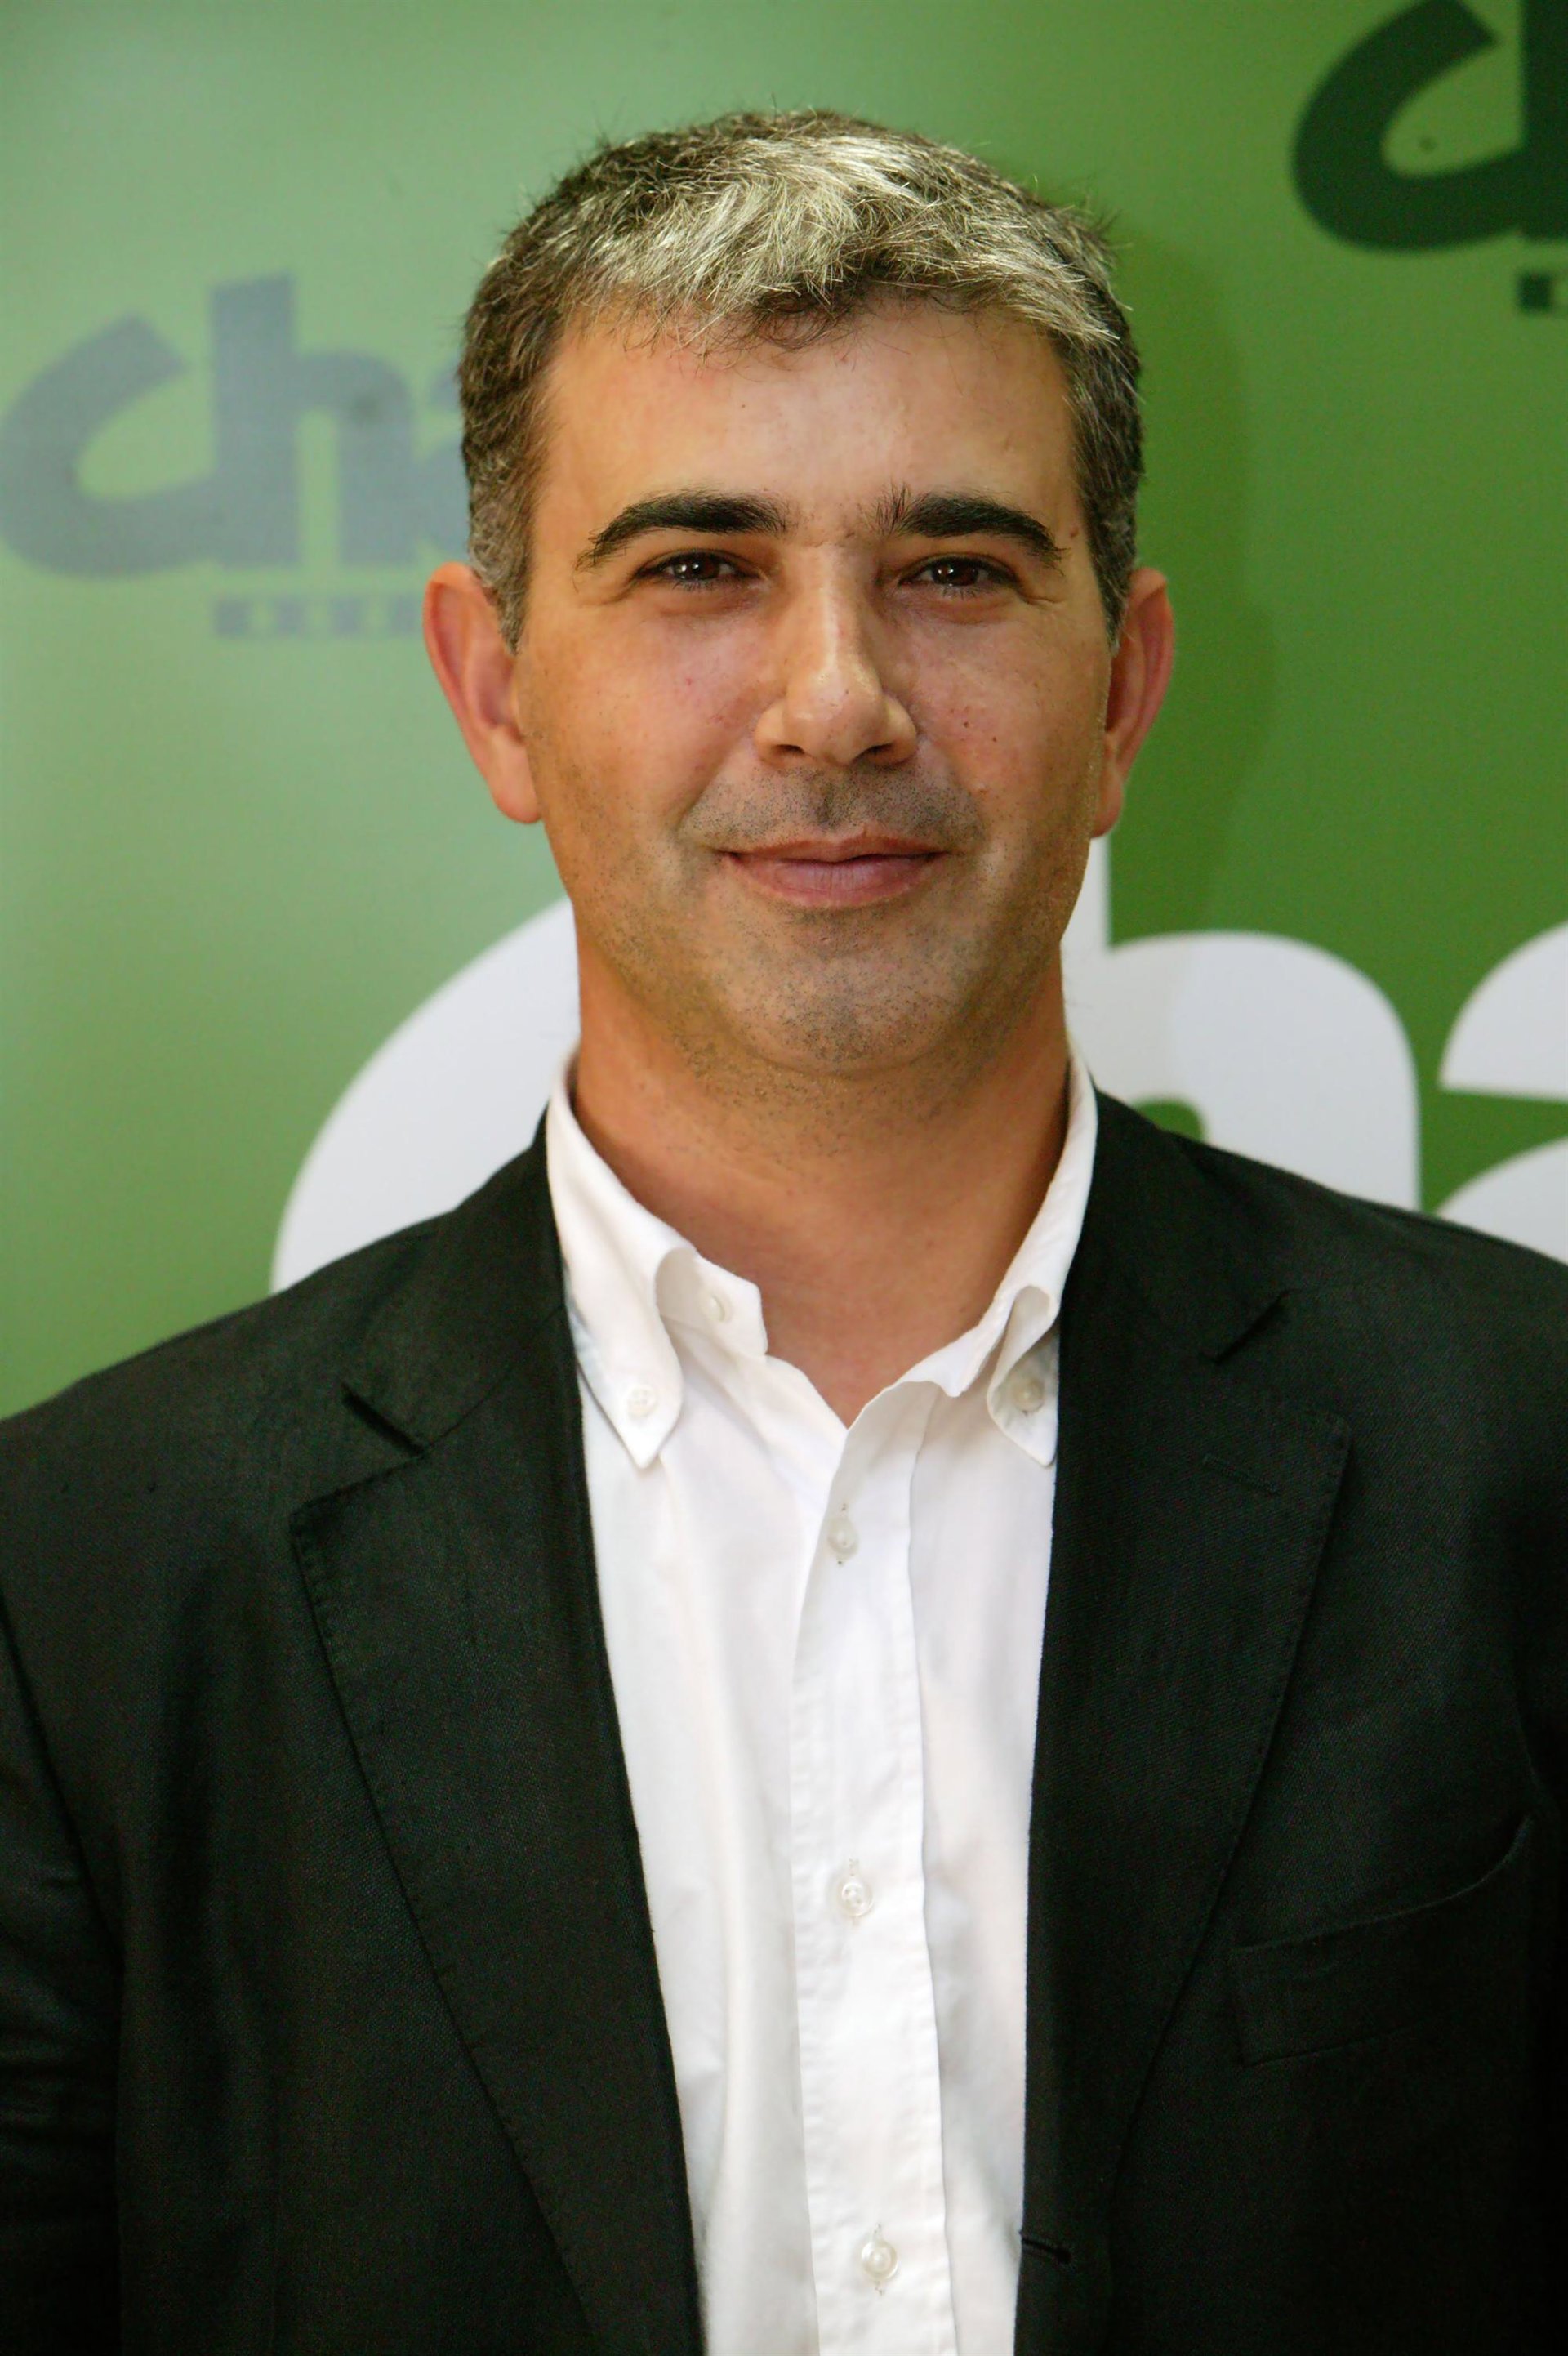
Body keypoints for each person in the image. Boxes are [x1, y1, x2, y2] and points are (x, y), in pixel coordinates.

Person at [1, 109, 1563, 2356]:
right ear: (494, 689)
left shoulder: (1519, 1451)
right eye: (699, 568)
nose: (837, 700)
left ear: (1122, 695)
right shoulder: (82, 1585)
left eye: (955, 569)